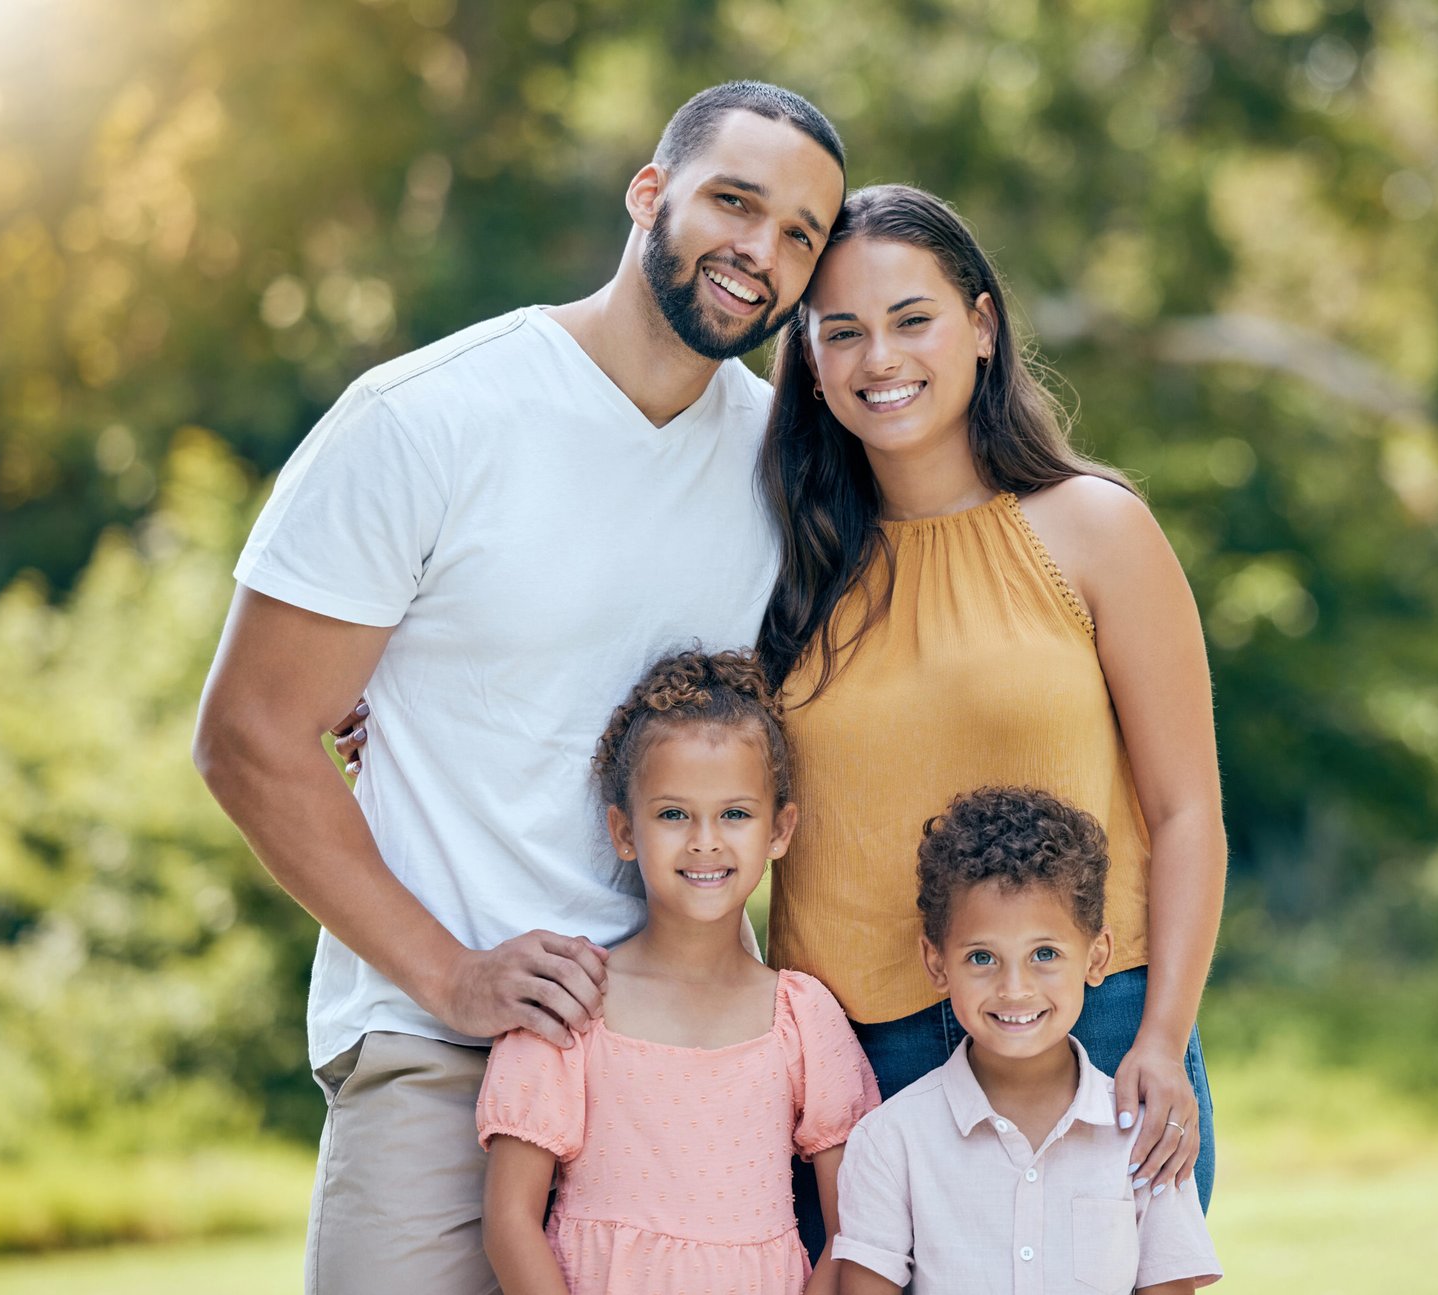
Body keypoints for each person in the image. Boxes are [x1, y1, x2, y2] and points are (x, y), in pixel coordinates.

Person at [192, 82, 847, 1294]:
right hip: (442, 1049)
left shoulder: (788, 469)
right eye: (735, 203)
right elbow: (248, 736)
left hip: (684, 1066)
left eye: (800, 234)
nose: (760, 253)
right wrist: (451, 973)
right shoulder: (426, 419)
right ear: (650, 193)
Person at [758, 184, 1226, 1222]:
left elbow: (1188, 810)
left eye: (911, 319)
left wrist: (1159, 1034)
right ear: (809, 362)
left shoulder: (1095, 529)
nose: (879, 358)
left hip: (1088, 1023)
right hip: (849, 1062)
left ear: (980, 324)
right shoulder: (784, 560)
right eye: (841, 333)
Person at [478, 648, 878, 1295]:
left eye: (735, 814)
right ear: (624, 830)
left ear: (780, 829)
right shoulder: (576, 1003)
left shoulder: (802, 1017)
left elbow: (854, 1228)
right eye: (672, 813)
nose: (704, 839)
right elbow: (508, 1219)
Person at [833, 787, 1221, 1294]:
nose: (1014, 988)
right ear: (936, 963)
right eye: (981, 958)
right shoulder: (890, 1142)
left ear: (1097, 955)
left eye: (1044, 954)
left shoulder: (1145, 1138)